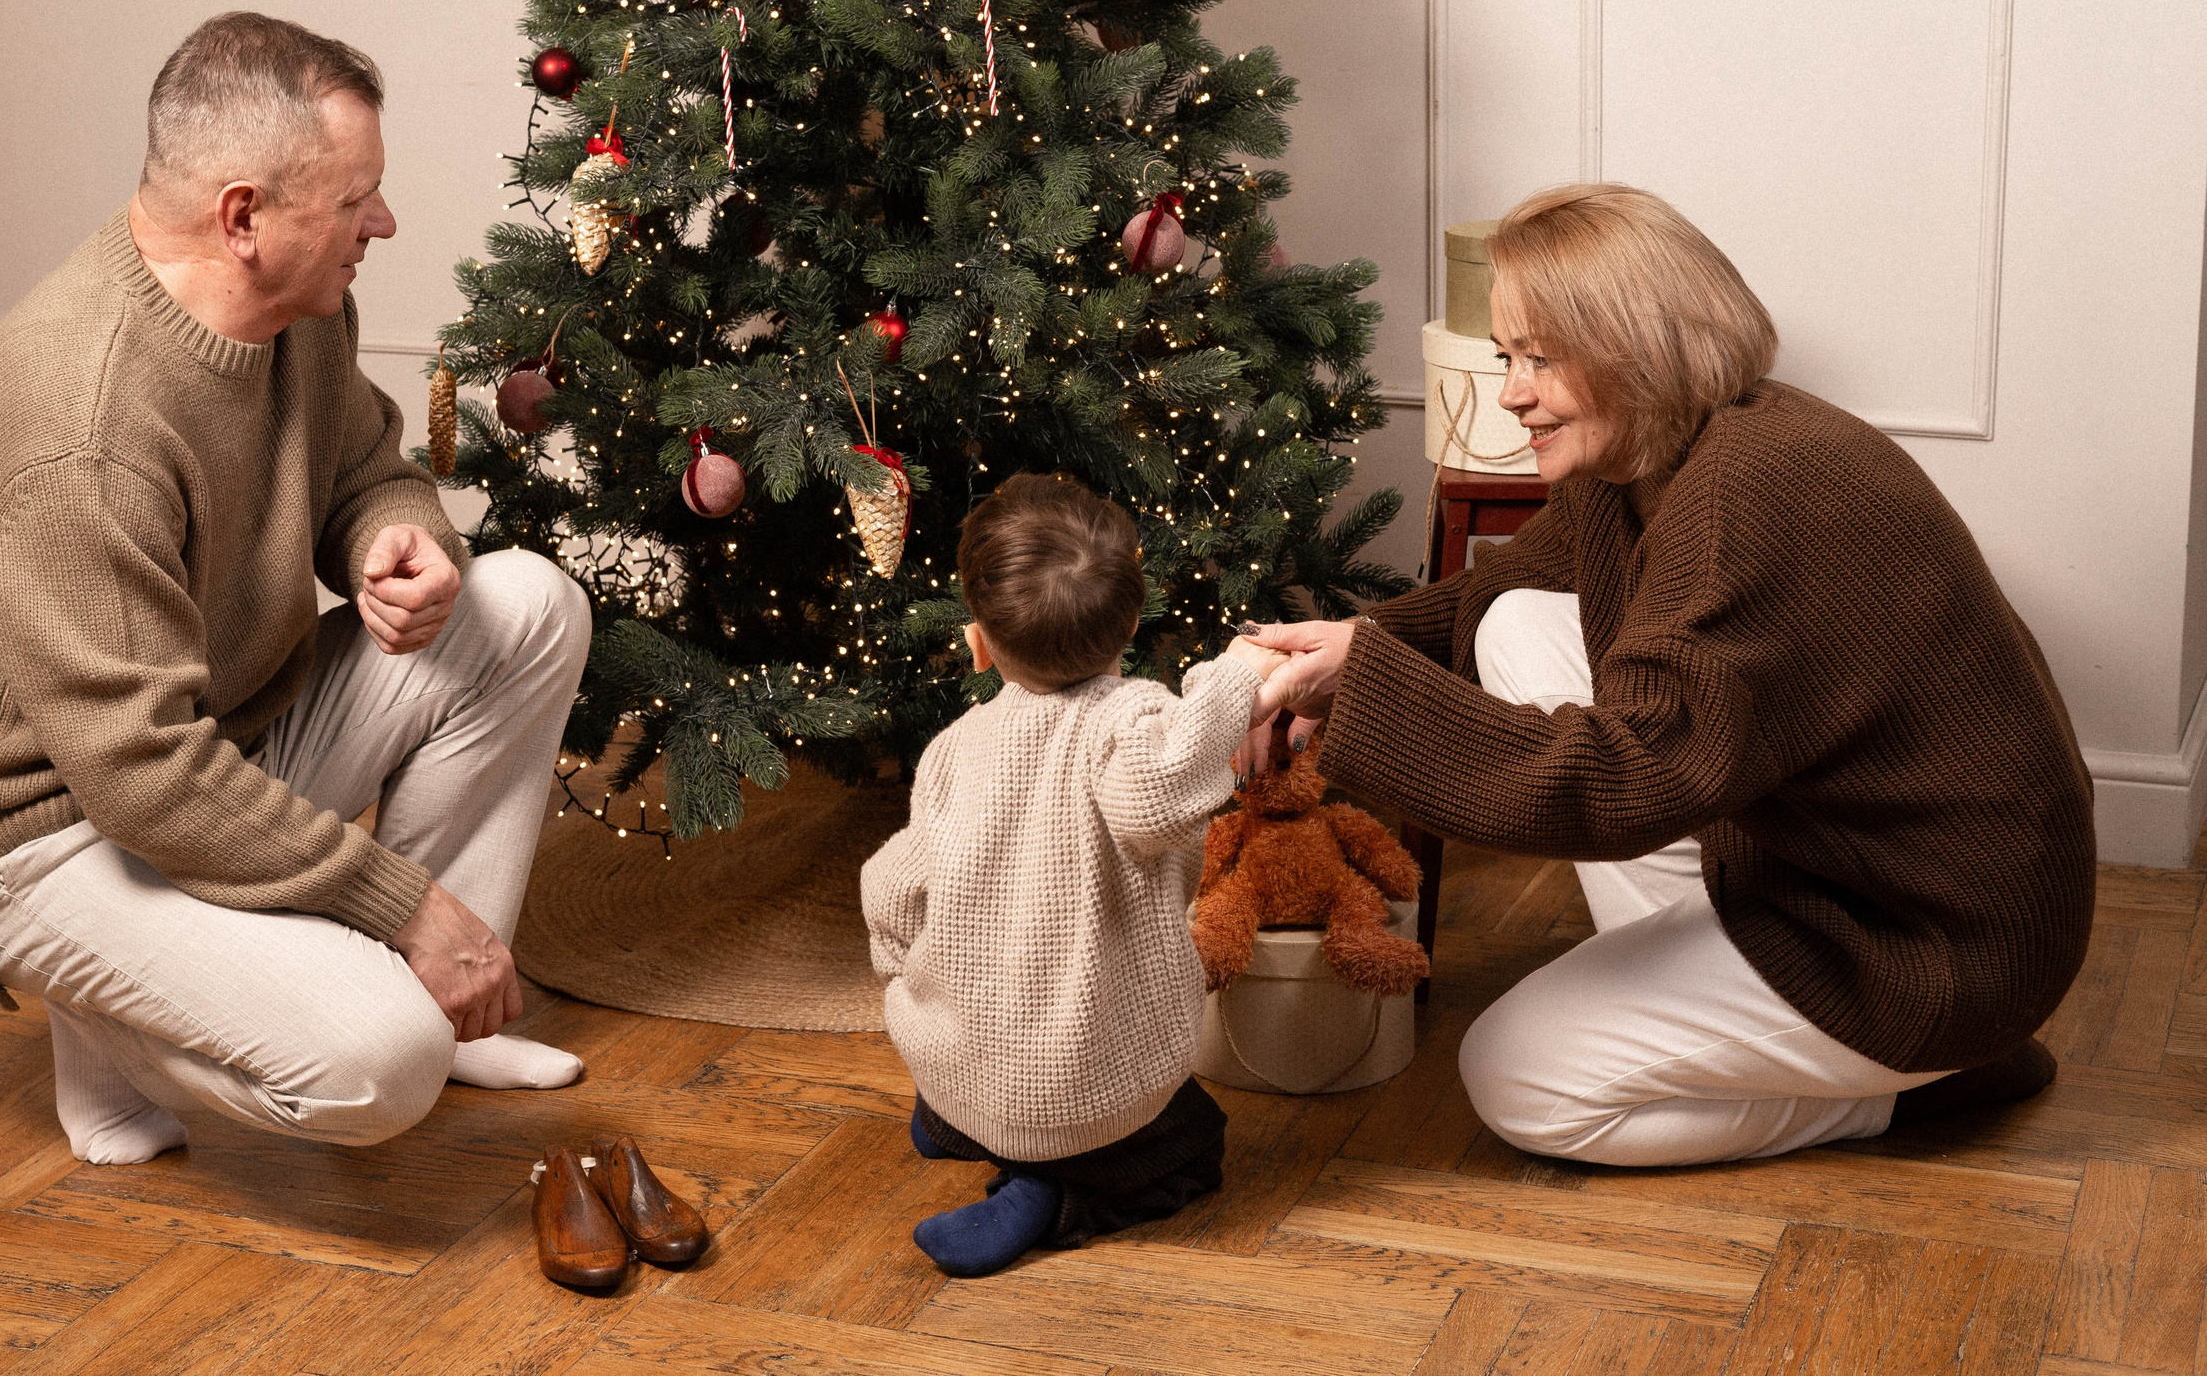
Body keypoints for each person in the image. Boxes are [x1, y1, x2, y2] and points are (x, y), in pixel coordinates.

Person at [1243, 184, 2094, 1168]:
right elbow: (1499, 592)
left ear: (1634, 344)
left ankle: (1913, 1088)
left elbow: (1623, 782)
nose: (1513, 392)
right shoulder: (1650, 457)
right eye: (1507, 357)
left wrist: (1367, 697)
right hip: (1830, 864)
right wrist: (1338, 656)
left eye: (1542, 359)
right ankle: (1727, 996)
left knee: (1517, 1077)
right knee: (1516, 622)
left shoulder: (1750, 496)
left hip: (1929, 946)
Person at [0, 12, 591, 1167]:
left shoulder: (294, 314)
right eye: (357, 200)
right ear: (244, 216)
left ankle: (453, 1001)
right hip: (42, 836)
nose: (383, 223)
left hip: (200, 750)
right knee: (374, 1064)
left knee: (527, 605)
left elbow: (365, 464)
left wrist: (389, 536)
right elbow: (140, 776)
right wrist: (398, 904)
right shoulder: (77, 428)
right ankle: (118, 1026)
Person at [860, 473, 1284, 1277]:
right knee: (1195, 1140)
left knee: (978, 1067)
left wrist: (903, 966)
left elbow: (891, 883)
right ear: (1132, 621)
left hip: (960, 1052)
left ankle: (958, 1121)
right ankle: (1054, 1196)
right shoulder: (1132, 720)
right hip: (1086, 1072)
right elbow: (1164, 787)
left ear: (977, 641)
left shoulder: (954, 747)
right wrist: (1238, 675)